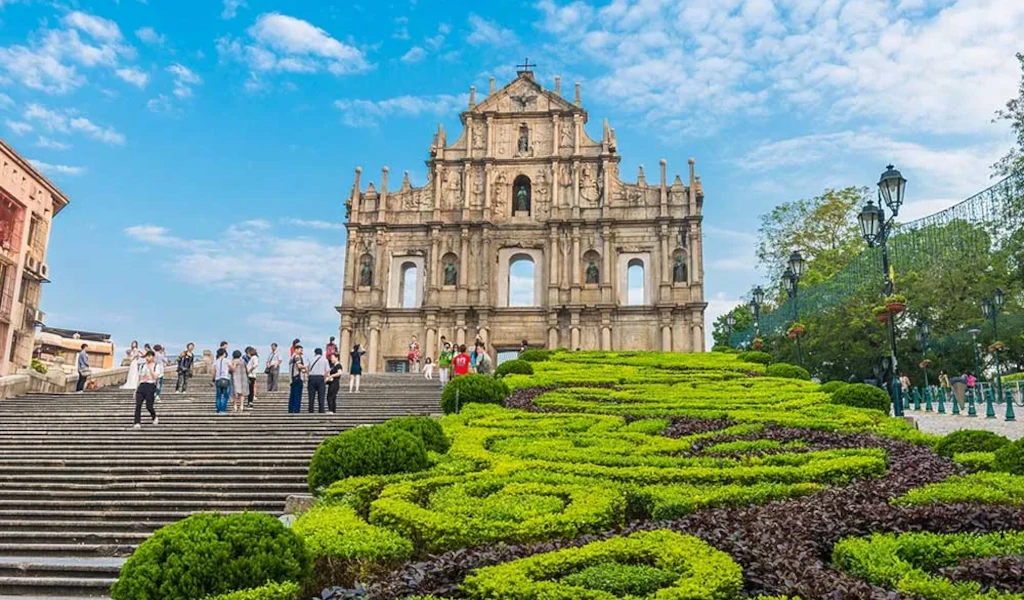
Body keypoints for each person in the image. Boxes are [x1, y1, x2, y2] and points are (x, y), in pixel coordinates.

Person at [133, 350, 159, 429]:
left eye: (150, 356)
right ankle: (137, 422)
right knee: (138, 405)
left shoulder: (156, 366)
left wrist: (150, 368)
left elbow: (156, 377)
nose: (148, 358)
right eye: (147, 356)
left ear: (153, 357)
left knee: (149, 406)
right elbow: (140, 378)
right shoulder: (142, 366)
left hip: (151, 385)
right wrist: (135, 390)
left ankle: (154, 416)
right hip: (142, 385)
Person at [306, 348, 328, 413]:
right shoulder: (325, 360)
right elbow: (327, 370)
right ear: (321, 353)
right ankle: (321, 410)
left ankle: (311, 410)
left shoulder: (310, 359)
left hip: (312, 378)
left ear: (315, 353)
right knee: (321, 396)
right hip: (320, 378)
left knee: (311, 396)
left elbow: (307, 368)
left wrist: (308, 375)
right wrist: (324, 377)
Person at [213, 348, 231, 414]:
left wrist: (213, 379)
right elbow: (231, 368)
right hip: (225, 378)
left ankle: (218, 409)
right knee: (225, 395)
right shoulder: (227, 360)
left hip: (217, 379)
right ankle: (223, 409)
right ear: (224, 354)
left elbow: (214, 372)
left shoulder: (216, 361)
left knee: (218, 395)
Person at [288, 345, 306, 413]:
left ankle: (291, 410)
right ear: (296, 350)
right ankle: (296, 411)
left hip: (292, 379)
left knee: (292, 396)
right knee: (297, 396)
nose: (301, 352)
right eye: (300, 350)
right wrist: (305, 367)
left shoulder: (291, 358)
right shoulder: (297, 356)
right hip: (297, 378)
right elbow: (299, 366)